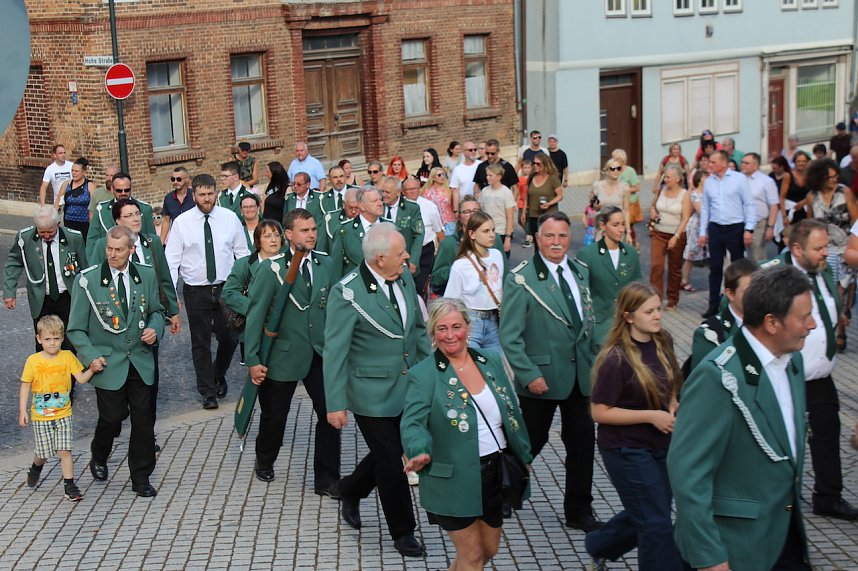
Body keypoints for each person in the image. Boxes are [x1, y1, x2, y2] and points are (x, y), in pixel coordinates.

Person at [668, 264, 814, 571]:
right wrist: (709, 556)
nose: (812, 324)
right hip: (734, 547)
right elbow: (687, 471)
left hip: (782, 536)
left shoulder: (794, 363)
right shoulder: (718, 376)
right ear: (772, 323)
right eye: (803, 317)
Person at [400, 298, 532, 571]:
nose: (450, 335)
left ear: (469, 328)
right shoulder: (423, 375)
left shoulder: (490, 360)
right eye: (442, 328)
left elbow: (510, 411)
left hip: (494, 472)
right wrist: (419, 450)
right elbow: (412, 423)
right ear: (433, 333)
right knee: (472, 558)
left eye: (456, 326)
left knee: (488, 550)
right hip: (453, 479)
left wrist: (524, 452)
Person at [324, 222, 430, 558]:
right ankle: (403, 532)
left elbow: (416, 331)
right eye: (401, 253)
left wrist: (434, 375)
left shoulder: (405, 277)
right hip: (370, 393)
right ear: (380, 258)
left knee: (389, 450)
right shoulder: (348, 293)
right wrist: (336, 403)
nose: (407, 257)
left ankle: (350, 489)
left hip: (408, 384)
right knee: (390, 462)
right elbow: (335, 351)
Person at [500, 211, 603, 532]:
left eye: (561, 235)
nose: (556, 242)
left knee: (583, 444)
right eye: (549, 236)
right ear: (538, 240)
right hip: (541, 377)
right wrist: (528, 374)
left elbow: (588, 321)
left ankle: (579, 510)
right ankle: (503, 494)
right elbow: (510, 335)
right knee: (528, 442)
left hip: (579, 377)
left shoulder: (580, 271)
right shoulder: (522, 278)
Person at [585, 282, 684, 571]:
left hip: (660, 444)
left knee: (653, 512)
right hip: (626, 448)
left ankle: (599, 544)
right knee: (656, 523)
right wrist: (651, 416)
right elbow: (599, 411)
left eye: (658, 309)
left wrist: (673, 402)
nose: (657, 316)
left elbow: (671, 382)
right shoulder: (616, 358)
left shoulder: (662, 340)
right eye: (649, 311)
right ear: (629, 317)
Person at [765, 219, 858, 521]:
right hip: (785, 374)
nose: (825, 253)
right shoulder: (773, 275)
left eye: (827, 246)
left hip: (820, 375)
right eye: (818, 248)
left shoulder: (823, 270)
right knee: (782, 439)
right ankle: (777, 501)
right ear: (795, 248)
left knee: (828, 433)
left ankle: (828, 497)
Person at [245, 210, 341, 491]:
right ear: (289, 235)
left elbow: (333, 306)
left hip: (319, 353)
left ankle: (327, 478)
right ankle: (264, 459)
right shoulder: (271, 269)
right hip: (283, 355)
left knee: (329, 414)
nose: (312, 234)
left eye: (314, 229)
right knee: (275, 416)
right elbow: (255, 316)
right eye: (305, 230)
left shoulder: (326, 263)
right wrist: (252, 359)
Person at [67, 225, 165, 497]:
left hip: (140, 361)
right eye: (109, 248)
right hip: (109, 363)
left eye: (118, 249)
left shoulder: (144, 275)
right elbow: (75, 329)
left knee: (143, 422)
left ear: (131, 250)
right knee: (111, 418)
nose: (112, 254)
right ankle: (99, 454)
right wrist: (90, 356)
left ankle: (141, 477)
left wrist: (156, 329)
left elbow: (157, 311)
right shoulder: (87, 281)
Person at [89, 198, 181, 431]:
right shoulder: (104, 246)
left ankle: (145, 432)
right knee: (119, 378)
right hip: (117, 325)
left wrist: (173, 310)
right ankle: (117, 416)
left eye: (137, 213)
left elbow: (163, 279)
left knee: (149, 379)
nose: (136, 218)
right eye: (129, 215)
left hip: (148, 320)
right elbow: (93, 281)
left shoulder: (151, 243)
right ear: (117, 221)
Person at [165, 174, 250, 409]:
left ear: (216, 193)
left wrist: (245, 287)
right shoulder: (182, 222)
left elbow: (242, 254)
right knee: (200, 342)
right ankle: (207, 392)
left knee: (229, 337)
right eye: (201, 194)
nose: (206, 198)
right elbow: (171, 261)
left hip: (226, 288)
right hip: (196, 290)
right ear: (194, 195)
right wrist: (172, 296)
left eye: (210, 193)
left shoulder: (229, 218)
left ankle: (217, 374)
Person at [19, 315, 97, 501]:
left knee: (64, 451)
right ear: (39, 339)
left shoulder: (68, 357)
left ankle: (69, 485)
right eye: (47, 339)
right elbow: (25, 385)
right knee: (43, 452)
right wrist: (22, 410)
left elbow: (81, 379)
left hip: (63, 414)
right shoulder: (33, 361)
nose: (52, 343)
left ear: (62, 338)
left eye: (56, 338)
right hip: (41, 416)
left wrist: (92, 369)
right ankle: (36, 467)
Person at [3, 206, 87, 351]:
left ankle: (70, 373)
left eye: (50, 232)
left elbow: (84, 267)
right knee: (43, 340)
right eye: (42, 232)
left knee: (70, 340)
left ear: (58, 225)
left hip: (68, 296)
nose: (47, 236)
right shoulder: (25, 238)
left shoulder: (74, 237)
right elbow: (14, 262)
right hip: (40, 297)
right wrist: (10, 292)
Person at [805, 157, 858, 351]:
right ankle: (830, 329)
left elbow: (855, 221)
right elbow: (810, 224)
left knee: (840, 291)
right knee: (826, 290)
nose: (834, 180)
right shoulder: (812, 197)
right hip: (824, 251)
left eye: (836, 176)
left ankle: (841, 331)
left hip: (845, 249)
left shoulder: (845, 193)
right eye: (829, 178)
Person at [222, 219, 281, 381]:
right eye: (268, 236)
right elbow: (229, 293)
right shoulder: (244, 265)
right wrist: (256, 309)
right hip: (256, 327)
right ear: (258, 241)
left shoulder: (287, 264)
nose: (273, 240)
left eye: (276, 235)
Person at [698, 150, 755, 318]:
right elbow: (705, 208)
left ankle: (739, 303)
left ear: (723, 163)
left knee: (738, 267)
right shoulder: (709, 182)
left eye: (713, 162)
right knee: (715, 267)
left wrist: (749, 229)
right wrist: (703, 232)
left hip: (735, 227)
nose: (709, 165)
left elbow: (749, 204)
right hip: (716, 228)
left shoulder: (739, 179)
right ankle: (713, 305)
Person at [576, 206, 642, 347]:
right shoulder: (587, 255)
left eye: (623, 224)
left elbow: (638, 290)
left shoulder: (631, 253)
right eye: (615, 225)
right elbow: (580, 293)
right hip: (599, 329)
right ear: (603, 226)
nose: (621, 229)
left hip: (626, 328)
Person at [444, 212, 506, 353]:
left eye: (493, 230)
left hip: (495, 320)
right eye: (485, 231)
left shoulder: (497, 255)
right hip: (472, 320)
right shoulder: (460, 265)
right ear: (472, 234)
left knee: (497, 366)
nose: (492, 235)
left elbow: (500, 288)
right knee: (473, 367)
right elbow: (450, 301)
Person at [688, 258, 759, 372]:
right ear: (730, 294)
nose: (757, 296)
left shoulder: (770, 323)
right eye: (749, 291)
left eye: (760, 289)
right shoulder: (711, 333)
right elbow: (703, 382)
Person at [431, 196, 502, 296]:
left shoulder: (495, 239)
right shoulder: (449, 243)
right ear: (459, 217)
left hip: (491, 300)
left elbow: (504, 275)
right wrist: (459, 267)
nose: (472, 215)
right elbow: (436, 279)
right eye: (467, 212)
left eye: (476, 211)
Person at [649, 164, 691, 310]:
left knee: (674, 268)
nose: (665, 179)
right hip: (659, 232)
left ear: (678, 179)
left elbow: (685, 218)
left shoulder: (684, 194)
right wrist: (653, 211)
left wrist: (676, 236)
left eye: (668, 177)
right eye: (664, 176)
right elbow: (653, 205)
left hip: (676, 234)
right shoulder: (661, 190)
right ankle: (656, 299)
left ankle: (673, 298)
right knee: (656, 266)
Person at [87, 172, 156, 259]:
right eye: (119, 190)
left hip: (138, 257)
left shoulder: (145, 209)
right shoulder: (101, 210)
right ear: (112, 189)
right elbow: (92, 240)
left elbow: (151, 239)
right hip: (109, 260)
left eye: (127, 190)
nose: (123, 193)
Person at [402, 176, 444, 298]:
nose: (412, 191)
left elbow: (439, 232)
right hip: (406, 251)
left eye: (415, 188)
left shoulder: (429, 206)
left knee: (420, 286)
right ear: (403, 191)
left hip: (425, 251)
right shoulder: (398, 207)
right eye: (408, 189)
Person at [329, 187, 384, 277]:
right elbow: (336, 269)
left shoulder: (390, 227)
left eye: (380, 200)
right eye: (375, 201)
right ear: (361, 206)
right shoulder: (344, 232)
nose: (380, 204)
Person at [381, 177, 425, 276]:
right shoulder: (379, 206)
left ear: (398, 192)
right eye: (382, 191)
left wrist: (413, 261)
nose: (384, 195)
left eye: (387, 192)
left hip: (404, 261)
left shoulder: (411, 208)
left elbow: (419, 235)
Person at [741, 153, 779, 261]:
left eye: (746, 163)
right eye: (742, 162)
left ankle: (761, 278)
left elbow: (773, 206)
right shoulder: (740, 179)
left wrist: (770, 228)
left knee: (758, 258)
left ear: (755, 165)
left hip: (759, 225)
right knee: (745, 259)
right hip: (741, 224)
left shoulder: (766, 181)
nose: (743, 165)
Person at [523, 154, 563, 249]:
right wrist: (524, 212)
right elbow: (527, 196)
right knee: (537, 244)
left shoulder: (552, 179)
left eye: (538, 164)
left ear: (545, 165)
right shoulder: (531, 178)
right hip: (533, 215)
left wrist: (549, 203)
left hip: (548, 216)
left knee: (548, 243)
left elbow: (560, 196)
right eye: (534, 163)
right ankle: (538, 262)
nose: (535, 166)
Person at [478, 164, 516, 256]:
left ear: (499, 177)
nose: (487, 177)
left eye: (490, 175)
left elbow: (510, 217)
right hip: (486, 231)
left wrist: (508, 238)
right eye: (487, 175)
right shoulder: (484, 191)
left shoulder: (506, 192)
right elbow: (481, 212)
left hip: (501, 232)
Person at [681, 170, 709, 292]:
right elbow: (700, 210)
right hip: (696, 226)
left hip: (708, 226)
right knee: (691, 254)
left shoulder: (710, 193)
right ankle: (684, 280)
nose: (707, 178)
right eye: (704, 176)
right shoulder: (695, 194)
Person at [590, 157, 630, 239]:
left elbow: (626, 211)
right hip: (602, 227)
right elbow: (591, 205)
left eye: (618, 168)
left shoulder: (624, 187)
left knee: (615, 251)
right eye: (612, 168)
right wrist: (596, 206)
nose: (616, 171)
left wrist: (628, 232)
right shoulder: (598, 185)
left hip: (617, 229)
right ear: (607, 171)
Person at [54, 157, 93, 240]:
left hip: (85, 222)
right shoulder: (66, 184)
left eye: (76, 171)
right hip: (69, 220)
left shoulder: (90, 186)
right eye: (72, 170)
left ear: (84, 172)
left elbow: (94, 204)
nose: (74, 173)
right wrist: (54, 218)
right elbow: (58, 201)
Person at [612, 149, 642, 248]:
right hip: (617, 203)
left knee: (628, 225)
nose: (612, 160)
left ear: (621, 159)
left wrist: (626, 190)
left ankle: (633, 243)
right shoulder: (614, 170)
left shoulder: (630, 171)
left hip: (630, 203)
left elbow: (637, 187)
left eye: (614, 158)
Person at [318, 187, 359, 254]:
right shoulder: (330, 220)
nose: (354, 211)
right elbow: (321, 251)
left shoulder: (368, 218)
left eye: (357, 208)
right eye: (350, 208)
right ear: (343, 204)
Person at [160, 167, 195, 245]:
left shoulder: (195, 195)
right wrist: (160, 243)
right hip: (177, 239)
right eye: (173, 179)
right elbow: (166, 221)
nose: (175, 182)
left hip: (194, 236)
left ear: (187, 180)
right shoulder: (168, 198)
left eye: (178, 179)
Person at [422, 166, 456, 235]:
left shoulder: (449, 190)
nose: (442, 176)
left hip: (449, 221)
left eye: (443, 174)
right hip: (435, 223)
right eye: (439, 175)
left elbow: (453, 206)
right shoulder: (427, 192)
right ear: (433, 177)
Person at [450, 142, 481, 209]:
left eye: (475, 149)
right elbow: (455, 191)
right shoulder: (457, 169)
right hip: (466, 206)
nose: (473, 152)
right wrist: (456, 210)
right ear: (464, 152)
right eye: (470, 150)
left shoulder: (481, 165)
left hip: (481, 204)